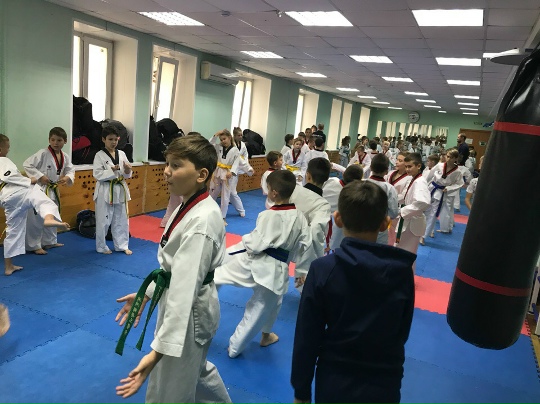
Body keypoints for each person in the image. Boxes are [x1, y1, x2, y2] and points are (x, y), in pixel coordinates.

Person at [115, 135, 232, 403]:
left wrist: (157, 353)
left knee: (170, 390)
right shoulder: (189, 204)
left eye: (176, 165)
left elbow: (184, 289)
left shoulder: (201, 221)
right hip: (189, 305)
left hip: (188, 314)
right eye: (167, 163)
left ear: (201, 175)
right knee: (195, 373)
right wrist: (147, 293)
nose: (167, 171)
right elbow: (173, 267)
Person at [291, 181, 416, 404]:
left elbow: (307, 336)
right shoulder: (402, 271)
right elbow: (401, 331)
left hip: (336, 378)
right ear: (385, 224)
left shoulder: (323, 270)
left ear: (337, 219)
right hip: (384, 379)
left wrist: (301, 390)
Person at [215, 170, 313, 358]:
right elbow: (305, 246)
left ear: (274, 192)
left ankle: (262, 336)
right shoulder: (301, 218)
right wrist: (302, 270)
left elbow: (254, 244)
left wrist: (244, 242)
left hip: (254, 262)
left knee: (217, 272)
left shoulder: (267, 215)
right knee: (262, 308)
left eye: (268, 188)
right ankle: (236, 347)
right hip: (278, 271)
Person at [0, 134, 69, 276]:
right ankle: (48, 218)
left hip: (6, 199)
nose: (8, 150)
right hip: (17, 191)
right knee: (42, 199)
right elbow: (8, 175)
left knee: (13, 230)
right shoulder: (3, 160)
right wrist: (29, 180)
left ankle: (8, 266)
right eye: (7, 147)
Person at [23, 127, 75, 254]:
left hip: (53, 189)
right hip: (40, 189)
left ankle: (49, 241)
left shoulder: (65, 156)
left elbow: (70, 169)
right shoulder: (43, 153)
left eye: (59, 140)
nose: (55, 143)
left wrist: (67, 177)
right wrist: (40, 176)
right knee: (36, 218)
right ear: (49, 140)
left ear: (65, 141)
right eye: (53, 140)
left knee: (52, 214)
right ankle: (34, 245)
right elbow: (27, 164)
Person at [290, 158, 332, 288]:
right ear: (326, 179)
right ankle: (303, 288)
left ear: (307, 175)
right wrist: (319, 256)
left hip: (280, 239)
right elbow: (315, 230)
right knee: (305, 276)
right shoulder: (323, 204)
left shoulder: (292, 190)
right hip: (303, 243)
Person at [93, 126, 133, 255]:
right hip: (105, 189)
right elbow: (97, 174)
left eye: (116, 139)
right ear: (103, 139)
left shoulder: (122, 154)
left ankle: (122, 245)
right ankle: (101, 246)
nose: (113, 142)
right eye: (110, 139)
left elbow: (127, 174)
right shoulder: (99, 155)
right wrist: (112, 170)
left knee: (121, 219)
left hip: (119, 188)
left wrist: (127, 170)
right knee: (103, 220)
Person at [395, 153, 431, 269]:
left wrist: (402, 211)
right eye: (406, 166)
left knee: (408, 254)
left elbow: (423, 202)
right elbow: (404, 196)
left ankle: (406, 277)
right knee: (401, 251)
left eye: (410, 166)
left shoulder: (420, 182)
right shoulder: (412, 179)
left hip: (412, 223)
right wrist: (391, 199)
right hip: (408, 220)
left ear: (418, 166)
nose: (407, 169)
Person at [421, 149, 463, 244]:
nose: (448, 159)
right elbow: (429, 176)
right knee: (424, 209)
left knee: (433, 215)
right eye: (447, 156)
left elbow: (459, 184)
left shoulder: (458, 172)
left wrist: (449, 188)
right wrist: (422, 185)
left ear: (456, 159)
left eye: (451, 157)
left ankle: (424, 236)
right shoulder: (439, 165)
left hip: (441, 192)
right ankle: (418, 231)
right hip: (432, 188)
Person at [322, 164, 364, 252]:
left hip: (317, 211)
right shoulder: (348, 196)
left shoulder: (332, 180)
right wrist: (332, 245)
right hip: (329, 221)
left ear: (344, 174)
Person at [210, 129, 240, 225]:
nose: (223, 141)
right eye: (221, 139)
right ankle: (207, 210)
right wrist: (215, 135)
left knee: (225, 196)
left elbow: (236, 162)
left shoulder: (235, 150)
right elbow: (210, 144)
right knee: (213, 192)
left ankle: (222, 217)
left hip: (227, 174)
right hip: (218, 172)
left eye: (224, 139)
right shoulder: (218, 147)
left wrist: (232, 172)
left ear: (229, 138)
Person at [367, 154, 399, 245]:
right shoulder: (389, 189)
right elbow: (393, 212)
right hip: (379, 227)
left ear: (371, 168)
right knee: (377, 251)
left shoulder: (361, 183)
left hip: (360, 226)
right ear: (386, 171)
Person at [386, 151, 410, 246]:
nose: (396, 162)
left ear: (406, 164)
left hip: (397, 208)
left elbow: (404, 195)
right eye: (397, 159)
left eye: (400, 161)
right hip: (385, 206)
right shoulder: (391, 173)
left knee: (394, 233)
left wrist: (388, 199)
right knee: (384, 232)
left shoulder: (409, 178)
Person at [230, 127, 254, 217]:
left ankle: (241, 210)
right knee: (216, 191)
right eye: (238, 135)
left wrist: (247, 166)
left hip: (235, 170)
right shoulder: (230, 144)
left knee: (232, 192)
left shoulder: (243, 145)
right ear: (234, 136)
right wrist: (247, 168)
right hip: (227, 169)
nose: (240, 137)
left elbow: (245, 157)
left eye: (241, 135)